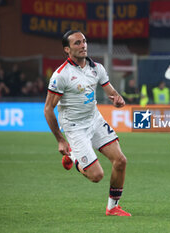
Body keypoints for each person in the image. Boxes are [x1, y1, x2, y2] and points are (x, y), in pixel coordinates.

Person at [44, 30, 131, 216]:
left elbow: (111, 92)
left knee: (121, 161)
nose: (83, 45)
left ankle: (113, 207)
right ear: (67, 49)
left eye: (84, 41)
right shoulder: (61, 75)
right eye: (77, 43)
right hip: (75, 127)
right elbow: (48, 109)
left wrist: (117, 99)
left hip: (95, 120)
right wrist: (60, 140)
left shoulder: (96, 68)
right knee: (96, 176)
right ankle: (73, 156)